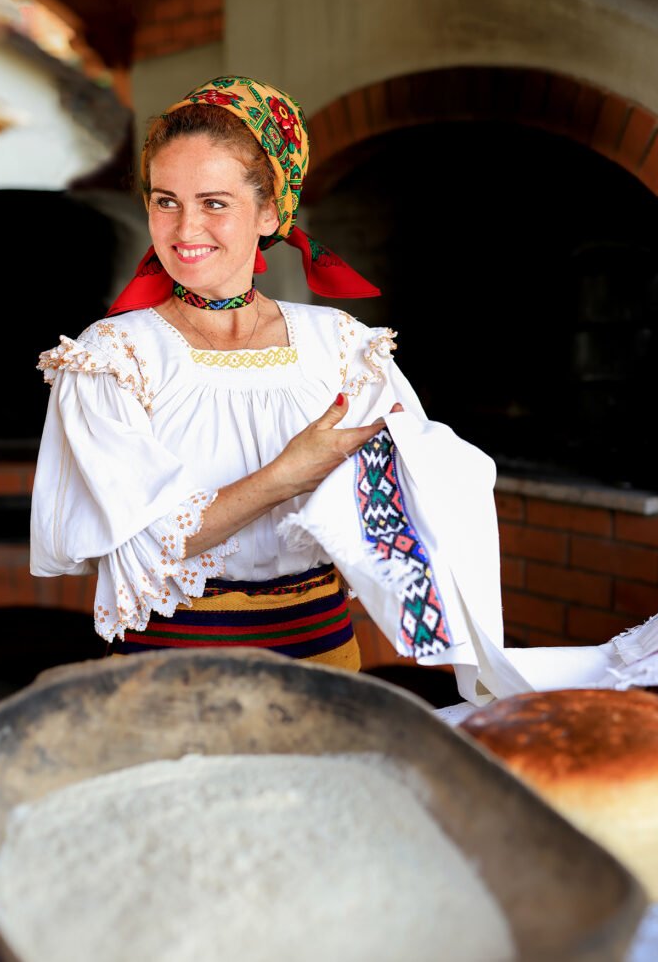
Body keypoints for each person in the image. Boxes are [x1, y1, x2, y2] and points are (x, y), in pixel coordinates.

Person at [30, 75, 427, 672]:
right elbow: (153, 537)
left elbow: (408, 499)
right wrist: (288, 475)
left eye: (214, 203)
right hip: (178, 674)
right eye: (167, 201)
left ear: (270, 211)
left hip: (325, 657)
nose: (186, 230)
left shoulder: (341, 343)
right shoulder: (113, 357)